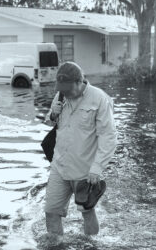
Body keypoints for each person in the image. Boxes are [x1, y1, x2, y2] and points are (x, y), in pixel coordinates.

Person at [43, 62, 117, 236]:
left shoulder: (99, 98)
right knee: (51, 211)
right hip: (59, 166)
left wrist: (97, 168)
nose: (65, 94)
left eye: (68, 89)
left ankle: (91, 249)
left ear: (79, 82)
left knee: (87, 212)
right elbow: (50, 122)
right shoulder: (60, 95)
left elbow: (108, 136)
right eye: (62, 89)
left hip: (85, 170)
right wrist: (53, 114)